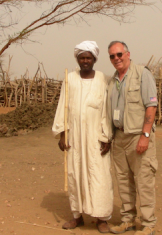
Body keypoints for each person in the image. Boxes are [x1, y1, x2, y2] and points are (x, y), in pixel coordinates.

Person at [52, 41, 113, 233]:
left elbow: (106, 109)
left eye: (88, 57)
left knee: (99, 175)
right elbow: (63, 106)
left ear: (94, 59)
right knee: (75, 173)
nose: (85, 60)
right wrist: (63, 134)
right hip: (75, 136)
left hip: (96, 136)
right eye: (82, 57)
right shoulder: (69, 78)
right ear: (77, 59)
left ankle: (101, 218)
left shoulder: (103, 79)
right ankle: (77, 216)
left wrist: (106, 136)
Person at [106, 41, 158, 235]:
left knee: (144, 180)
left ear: (128, 54)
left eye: (119, 54)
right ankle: (128, 220)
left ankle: (148, 224)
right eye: (112, 56)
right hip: (119, 137)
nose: (116, 58)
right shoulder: (112, 81)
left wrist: (145, 135)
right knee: (123, 181)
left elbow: (151, 106)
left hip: (138, 136)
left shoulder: (142, 74)